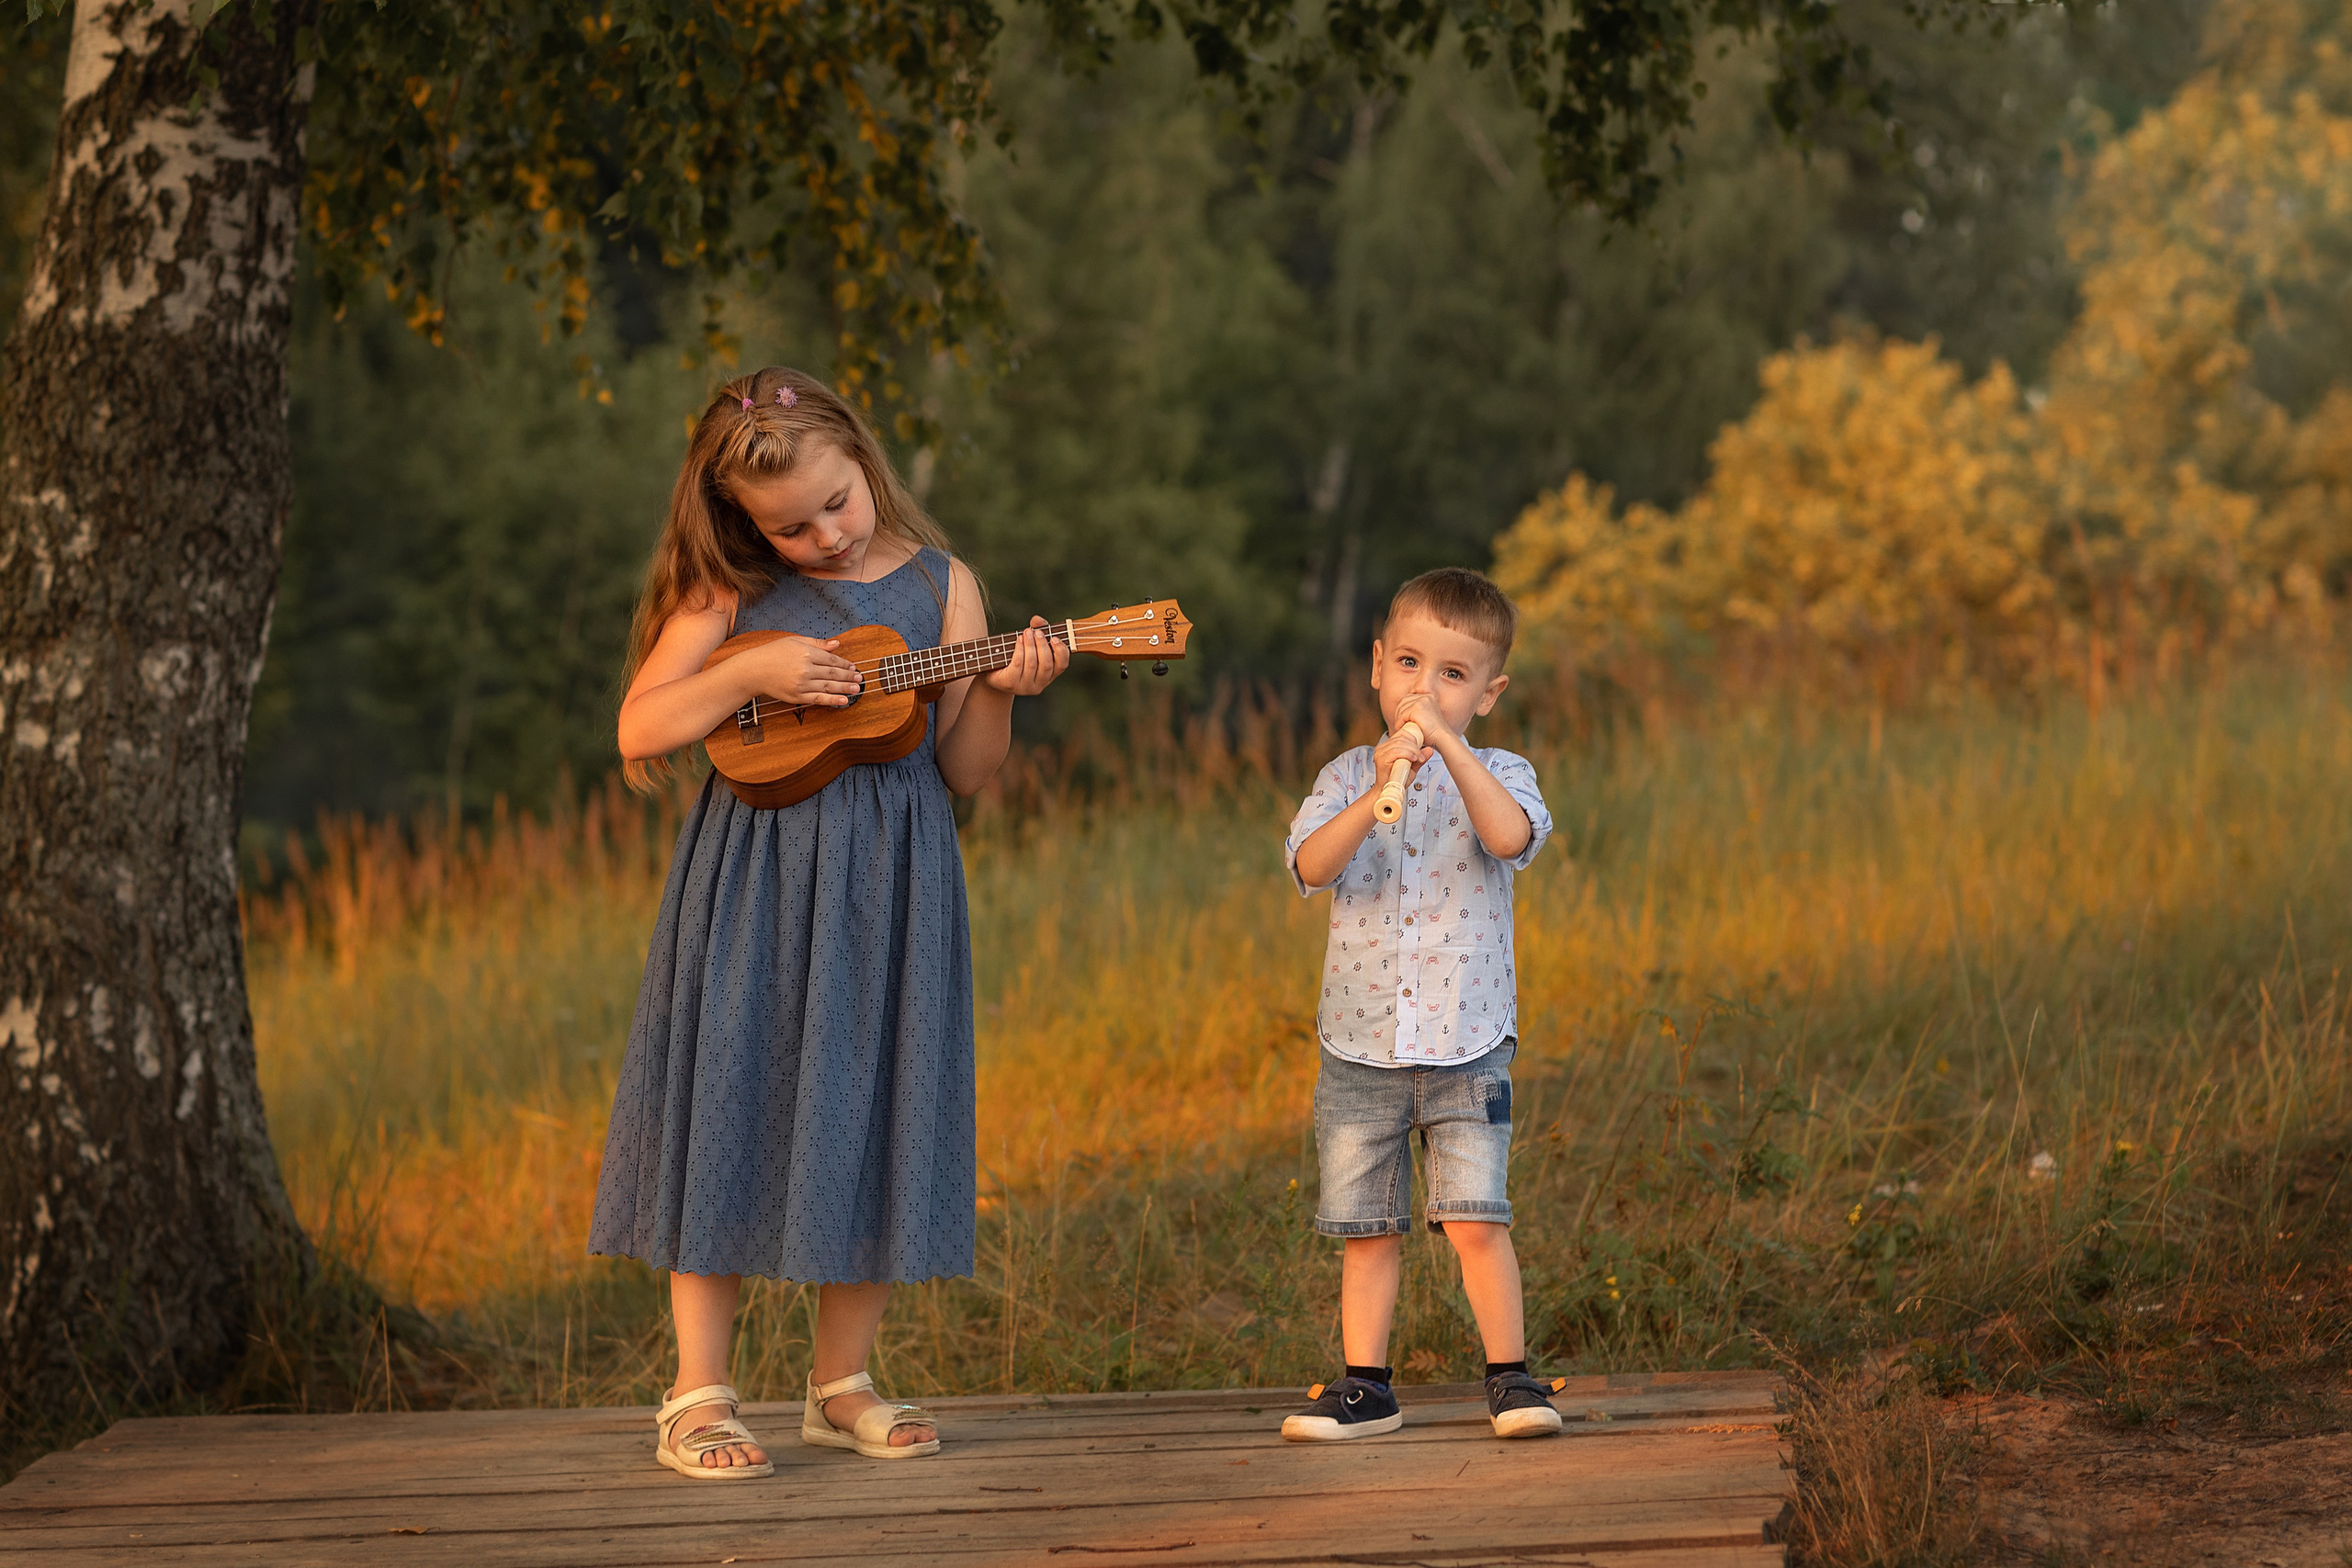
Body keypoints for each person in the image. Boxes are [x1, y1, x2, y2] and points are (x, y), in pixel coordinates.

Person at [589, 367, 1069, 1479]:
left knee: (876, 1097)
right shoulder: (729, 590)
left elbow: (965, 770)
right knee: (732, 1093)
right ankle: (697, 1396)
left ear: (865, 459)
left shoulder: (947, 586)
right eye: (790, 526)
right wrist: (751, 664)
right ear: (742, 521)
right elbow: (640, 728)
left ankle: (839, 1383)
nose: (824, 537)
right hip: (754, 879)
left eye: (838, 505)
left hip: (894, 882)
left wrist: (998, 684)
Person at [1278, 567, 1562, 1442]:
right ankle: (1368, 1386)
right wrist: (1379, 789)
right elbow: (1310, 866)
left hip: (1467, 1044)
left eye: (1452, 675)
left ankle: (1511, 1379)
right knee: (1370, 1230)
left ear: (1488, 693)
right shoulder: (1344, 775)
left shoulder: (1501, 770)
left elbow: (1510, 836)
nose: (1423, 689)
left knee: (1477, 1219)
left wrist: (1449, 748)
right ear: (1375, 667)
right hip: (1360, 1048)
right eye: (1409, 663)